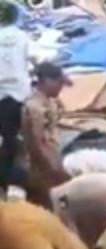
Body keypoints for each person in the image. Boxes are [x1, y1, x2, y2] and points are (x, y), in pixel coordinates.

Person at [20, 63, 70, 208]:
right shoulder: (34, 107)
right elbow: (37, 142)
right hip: (43, 169)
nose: (61, 88)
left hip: (52, 159)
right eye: (59, 83)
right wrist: (54, 168)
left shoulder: (49, 102)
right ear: (47, 81)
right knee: (51, 207)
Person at [0, 1, 30, 191]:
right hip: (16, 94)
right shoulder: (22, 37)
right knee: (11, 138)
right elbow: (28, 61)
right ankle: (6, 181)